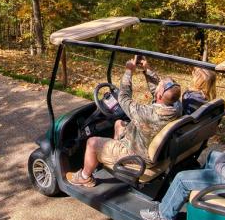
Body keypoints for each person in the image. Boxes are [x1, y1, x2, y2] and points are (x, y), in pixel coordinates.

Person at [139, 82, 225, 220]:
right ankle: (190, 193)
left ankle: (164, 213)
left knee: (181, 178)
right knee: (211, 155)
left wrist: (220, 165)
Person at [66, 56, 182, 188]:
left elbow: (123, 98)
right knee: (118, 123)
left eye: (160, 85)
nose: (159, 83)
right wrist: (147, 69)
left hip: (137, 156)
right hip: (147, 145)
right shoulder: (176, 106)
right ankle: (113, 161)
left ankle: (84, 177)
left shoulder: (147, 114)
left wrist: (128, 72)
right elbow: (158, 90)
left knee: (92, 143)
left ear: (160, 95)